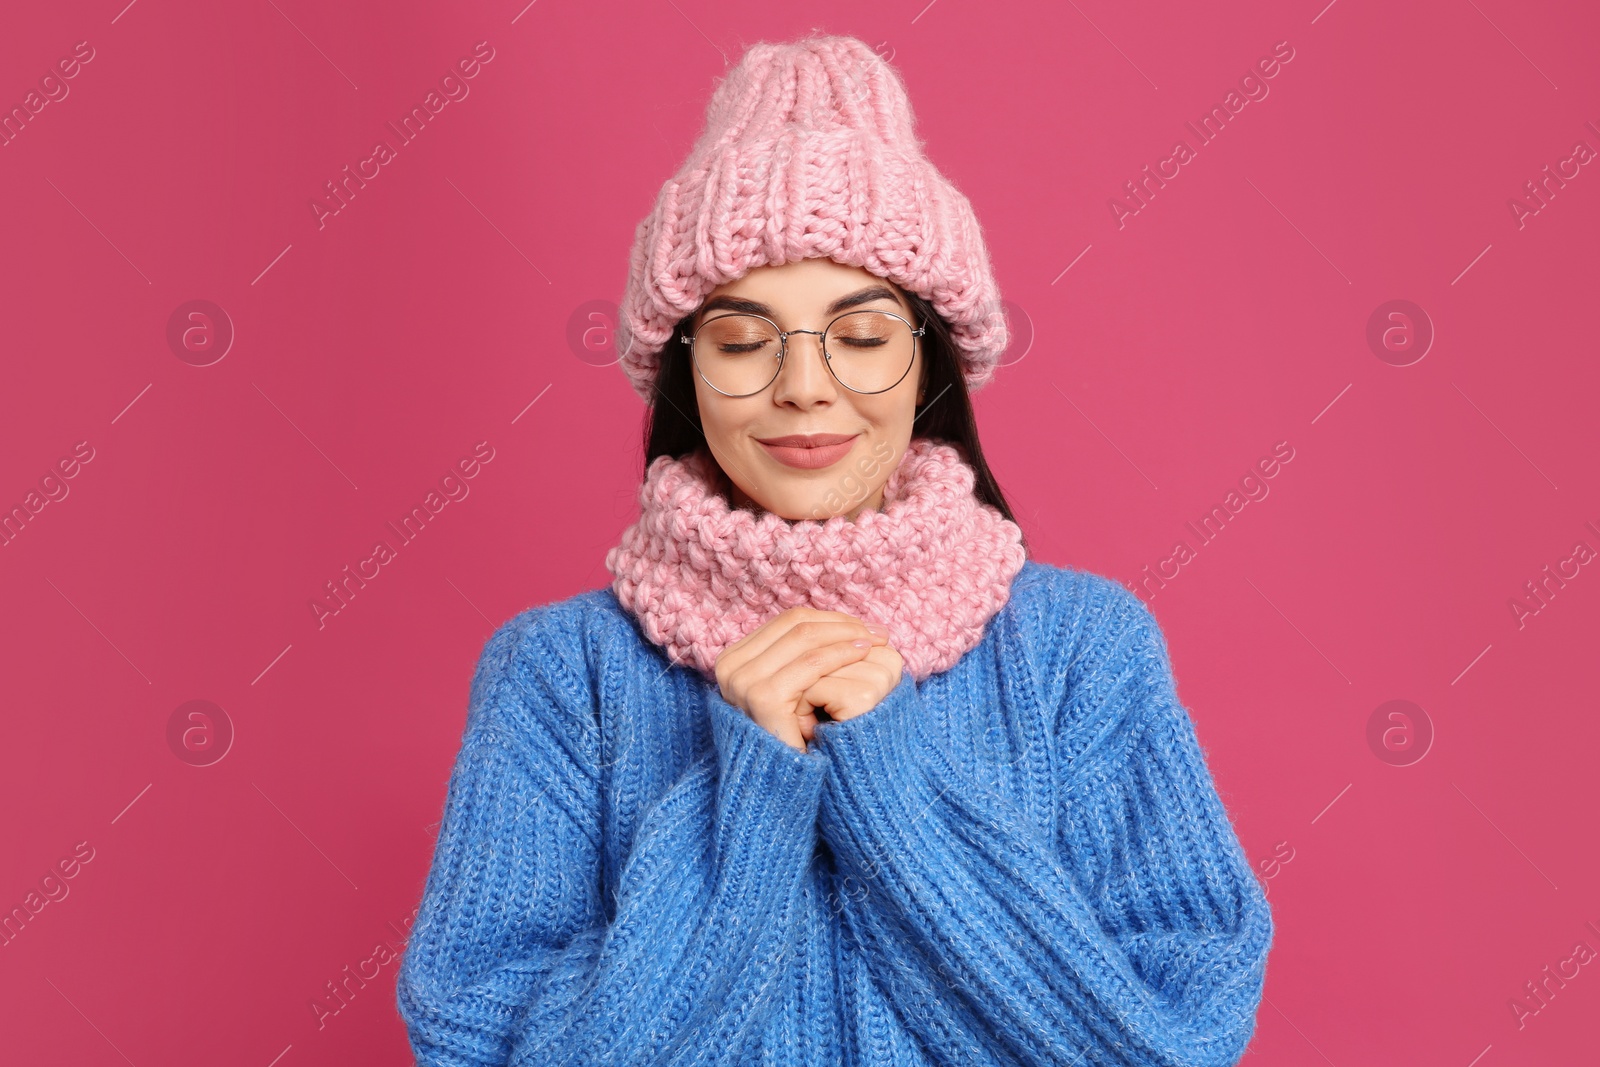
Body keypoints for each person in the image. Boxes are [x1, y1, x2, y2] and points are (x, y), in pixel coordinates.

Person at [395, 33, 1273, 1067]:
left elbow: (1169, 1041)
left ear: (928, 363)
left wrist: (887, 784)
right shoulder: (557, 674)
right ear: (684, 371)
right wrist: (749, 788)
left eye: (859, 335)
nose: (803, 386)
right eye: (740, 339)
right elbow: (477, 1044)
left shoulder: (1084, 648)